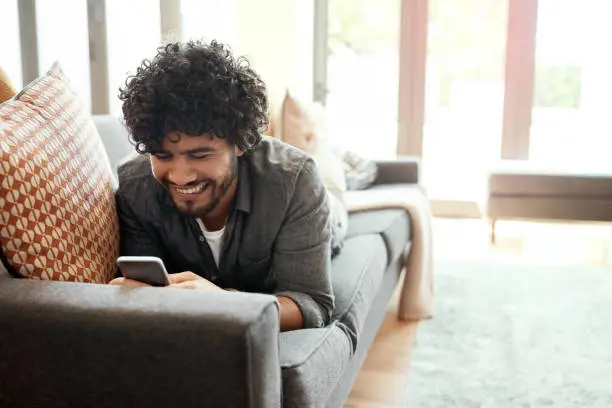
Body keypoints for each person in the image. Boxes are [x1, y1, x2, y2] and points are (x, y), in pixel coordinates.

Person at [110, 40, 335, 332]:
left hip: (321, 212)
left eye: (200, 155)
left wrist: (227, 304)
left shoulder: (295, 181)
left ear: (240, 143)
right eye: (162, 155)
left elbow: (313, 304)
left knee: (338, 208)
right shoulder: (134, 188)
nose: (180, 176)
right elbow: (148, 286)